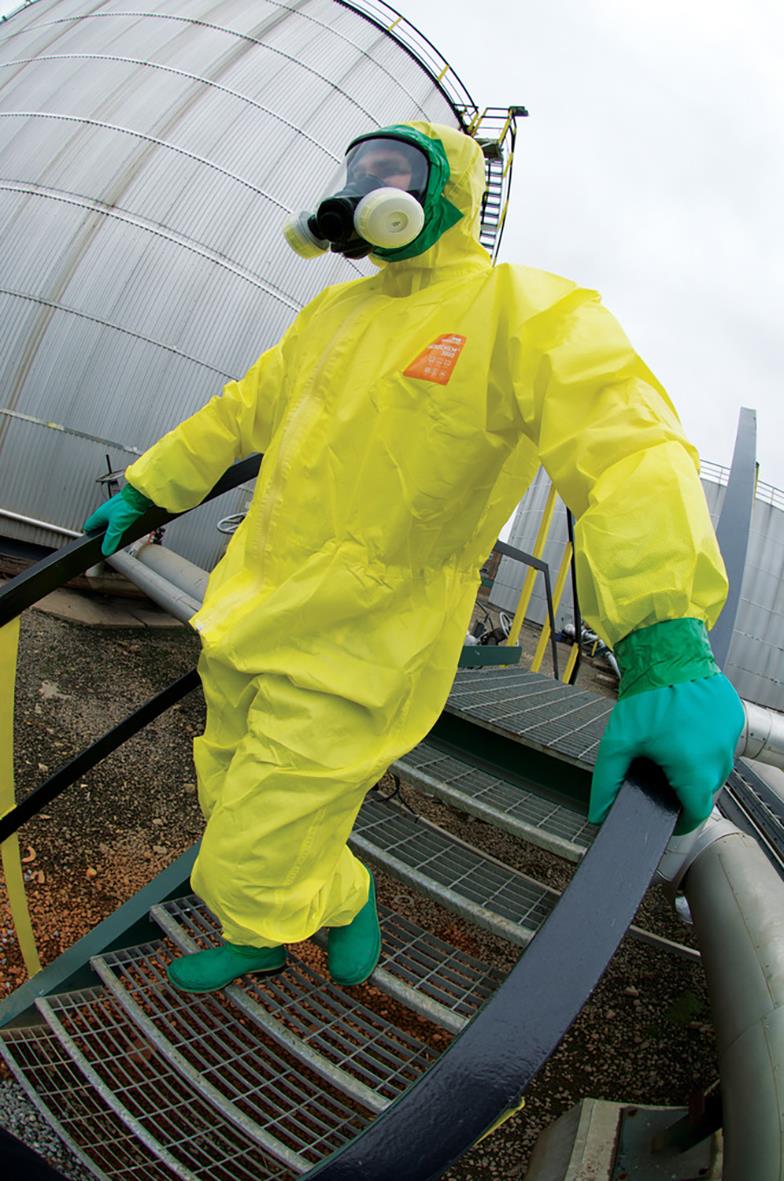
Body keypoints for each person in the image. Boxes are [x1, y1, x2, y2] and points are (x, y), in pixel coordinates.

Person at [84, 121, 744, 994]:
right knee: (230, 783)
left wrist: (664, 640)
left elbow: (626, 446)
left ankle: (261, 935)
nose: (366, 188)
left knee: (264, 819)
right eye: (358, 169)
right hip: (256, 604)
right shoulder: (334, 315)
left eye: (392, 171)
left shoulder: (521, 309)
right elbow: (243, 410)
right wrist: (150, 487)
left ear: (447, 192)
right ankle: (336, 890)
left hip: (372, 637)